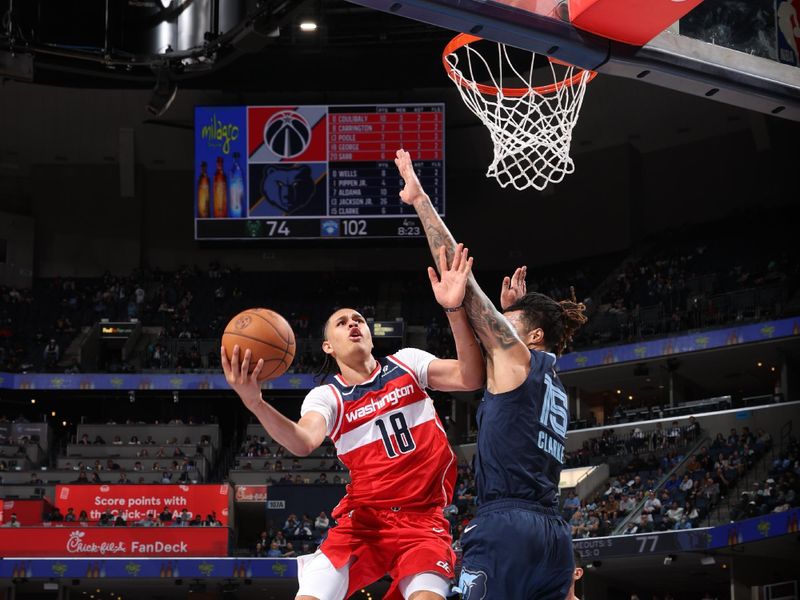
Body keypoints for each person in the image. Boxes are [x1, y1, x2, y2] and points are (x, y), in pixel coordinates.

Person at [221, 248, 485, 600]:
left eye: (358, 319)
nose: (353, 324)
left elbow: (471, 377)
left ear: (371, 335)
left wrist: (454, 310)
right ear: (328, 346)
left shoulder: (407, 363)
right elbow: (302, 442)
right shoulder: (328, 396)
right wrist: (254, 402)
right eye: (342, 322)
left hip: (423, 520)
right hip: (364, 523)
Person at [395, 148, 587, 600]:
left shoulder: (518, 359)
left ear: (533, 334)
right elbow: (512, 344)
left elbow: (459, 276)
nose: (501, 325)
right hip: (553, 535)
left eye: (512, 321)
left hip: (507, 527)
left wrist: (420, 200)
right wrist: (513, 312)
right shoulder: (548, 376)